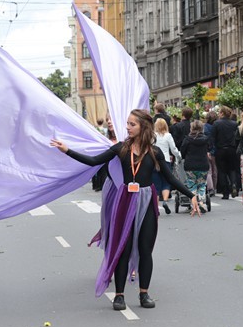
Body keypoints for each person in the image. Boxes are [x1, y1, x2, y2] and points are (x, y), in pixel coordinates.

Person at [51, 109, 199, 311]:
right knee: (124, 248)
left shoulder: (155, 153)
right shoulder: (121, 149)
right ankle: (119, 295)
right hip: (125, 200)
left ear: (143, 127)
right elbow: (93, 161)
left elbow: (171, 178)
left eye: (132, 124)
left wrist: (191, 195)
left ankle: (144, 293)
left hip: (147, 201)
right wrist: (67, 150)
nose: (128, 128)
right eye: (127, 124)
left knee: (146, 249)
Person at [152, 118, 182, 214]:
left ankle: (156, 208)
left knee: (155, 184)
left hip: (154, 161)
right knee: (166, 182)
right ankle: (164, 201)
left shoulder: (152, 136)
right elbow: (173, 149)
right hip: (165, 161)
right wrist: (178, 155)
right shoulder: (168, 135)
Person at [180, 120, 210, 213]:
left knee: (191, 185)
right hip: (203, 164)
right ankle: (201, 203)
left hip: (190, 165)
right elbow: (209, 149)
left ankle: (194, 205)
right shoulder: (206, 139)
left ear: (191, 128)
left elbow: (182, 152)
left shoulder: (187, 139)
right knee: (201, 185)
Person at [211, 106, 240, 200]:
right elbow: (237, 138)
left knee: (222, 171)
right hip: (232, 149)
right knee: (232, 169)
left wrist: (212, 149)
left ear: (222, 113)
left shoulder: (216, 123)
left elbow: (213, 138)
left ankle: (225, 192)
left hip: (220, 150)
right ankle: (234, 185)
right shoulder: (234, 124)